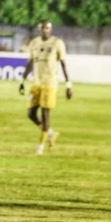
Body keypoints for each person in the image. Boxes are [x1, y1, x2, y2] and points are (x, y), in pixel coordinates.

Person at [19, 20, 72, 154]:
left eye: (47, 28)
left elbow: (64, 64)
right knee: (30, 113)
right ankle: (51, 133)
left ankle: (40, 146)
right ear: (39, 29)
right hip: (36, 83)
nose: (45, 30)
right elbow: (30, 62)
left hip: (50, 84)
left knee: (45, 113)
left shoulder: (57, 43)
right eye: (43, 28)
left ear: (51, 29)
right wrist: (22, 81)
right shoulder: (34, 43)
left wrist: (68, 85)